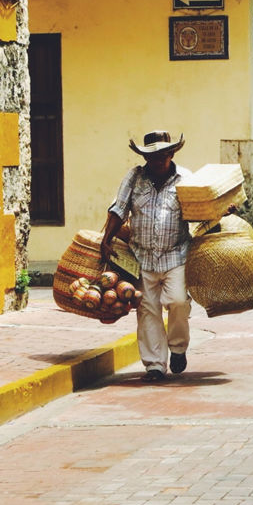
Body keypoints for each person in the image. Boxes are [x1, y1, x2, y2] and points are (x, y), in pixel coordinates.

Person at [99, 131, 193, 382]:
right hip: (142, 258)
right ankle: (154, 366)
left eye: (161, 156)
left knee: (178, 302)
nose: (156, 161)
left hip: (176, 255)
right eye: (150, 157)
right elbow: (119, 208)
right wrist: (106, 239)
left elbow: (202, 209)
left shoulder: (186, 178)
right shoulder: (134, 177)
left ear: (171, 154)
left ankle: (178, 347)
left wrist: (223, 211)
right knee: (147, 309)